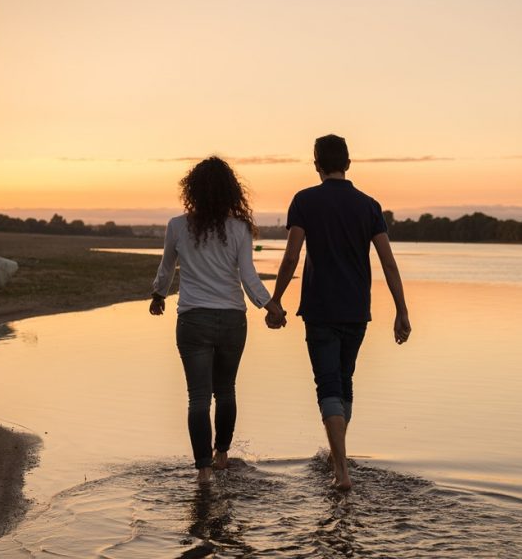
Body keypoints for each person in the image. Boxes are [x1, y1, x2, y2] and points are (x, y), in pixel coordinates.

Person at [269, 134, 411, 490]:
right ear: (348, 163)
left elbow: (291, 256)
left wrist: (276, 299)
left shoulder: (304, 201)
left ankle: (341, 472)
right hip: (356, 311)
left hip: (320, 308)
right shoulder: (369, 205)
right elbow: (388, 263)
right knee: (344, 382)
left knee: (328, 384)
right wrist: (402, 311)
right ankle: (338, 457)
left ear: (316, 164)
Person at [150, 157, 286, 483]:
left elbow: (167, 269)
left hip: (193, 320)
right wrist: (270, 305)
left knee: (198, 396)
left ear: (192, 190)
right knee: (225, 391)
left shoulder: (177, 226)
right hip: (232, 320)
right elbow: (248, 277)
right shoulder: (239, 229)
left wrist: (158, 295)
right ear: (230, 191)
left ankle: (203, 471)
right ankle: (222, 455)